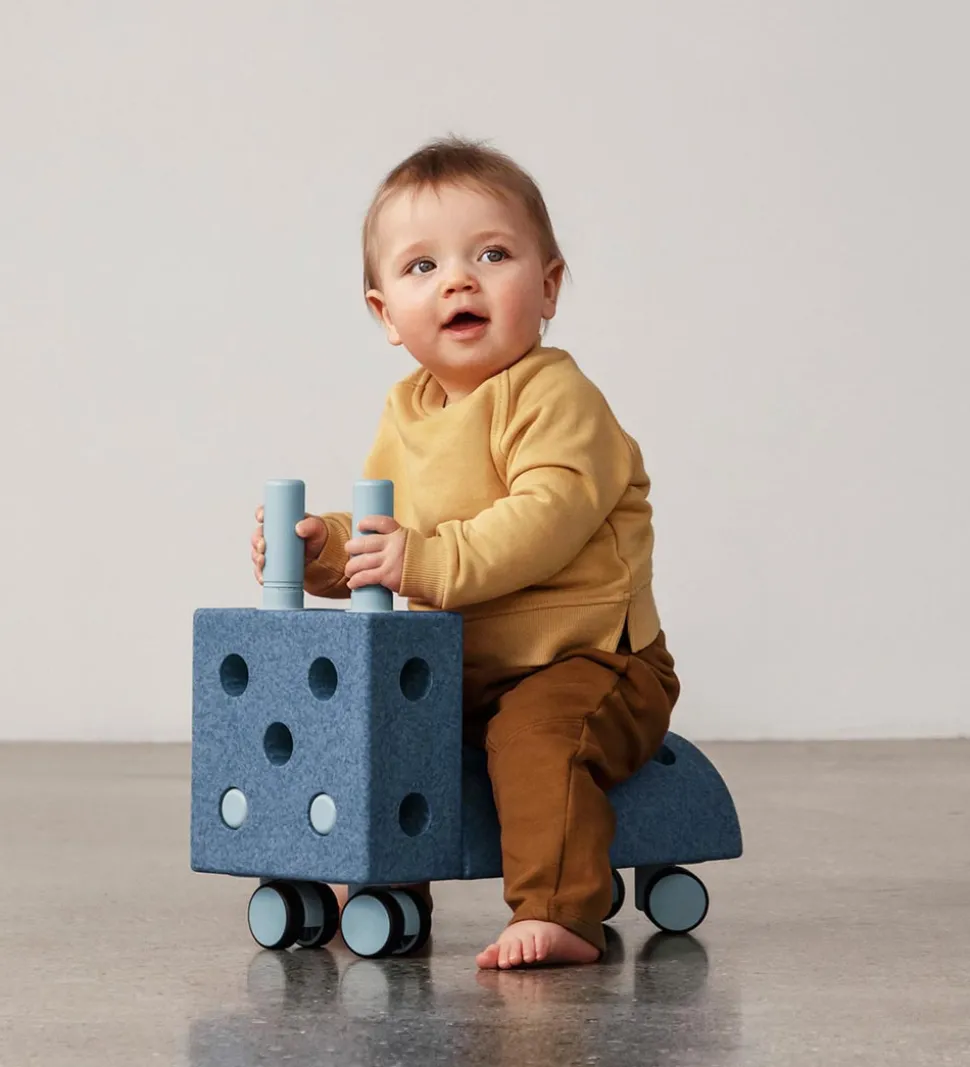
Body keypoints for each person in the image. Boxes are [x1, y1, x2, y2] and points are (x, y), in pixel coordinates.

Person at [250, 137, 680, 969]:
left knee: (539, 737)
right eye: (423, 266)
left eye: (492, 254)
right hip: (463, 668)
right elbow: (389, 528)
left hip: (591, 659)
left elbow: (545, 518)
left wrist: (424, 563)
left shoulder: (557, 396)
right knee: (378, 727)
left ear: (548, 287)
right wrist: (321, 550)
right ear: (386, 314)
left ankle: (558, 909)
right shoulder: (408, 411)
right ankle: (374, 877)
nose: (458, 281)